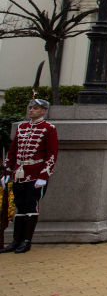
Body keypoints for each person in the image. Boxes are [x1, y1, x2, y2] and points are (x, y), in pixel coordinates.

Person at [2, 98, 58, 254]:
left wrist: (44, 175)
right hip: (19, 173)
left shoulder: (49, 129)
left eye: (35, 108)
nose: (31, 110)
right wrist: (7, 171)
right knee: (19, 205)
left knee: (31, 205)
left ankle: (26, 241)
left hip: (35, 173)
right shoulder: (22, 127)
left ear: (43, 111)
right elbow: (12, 152)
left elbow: (51, 154)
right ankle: (16, 240)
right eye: (30, 107)